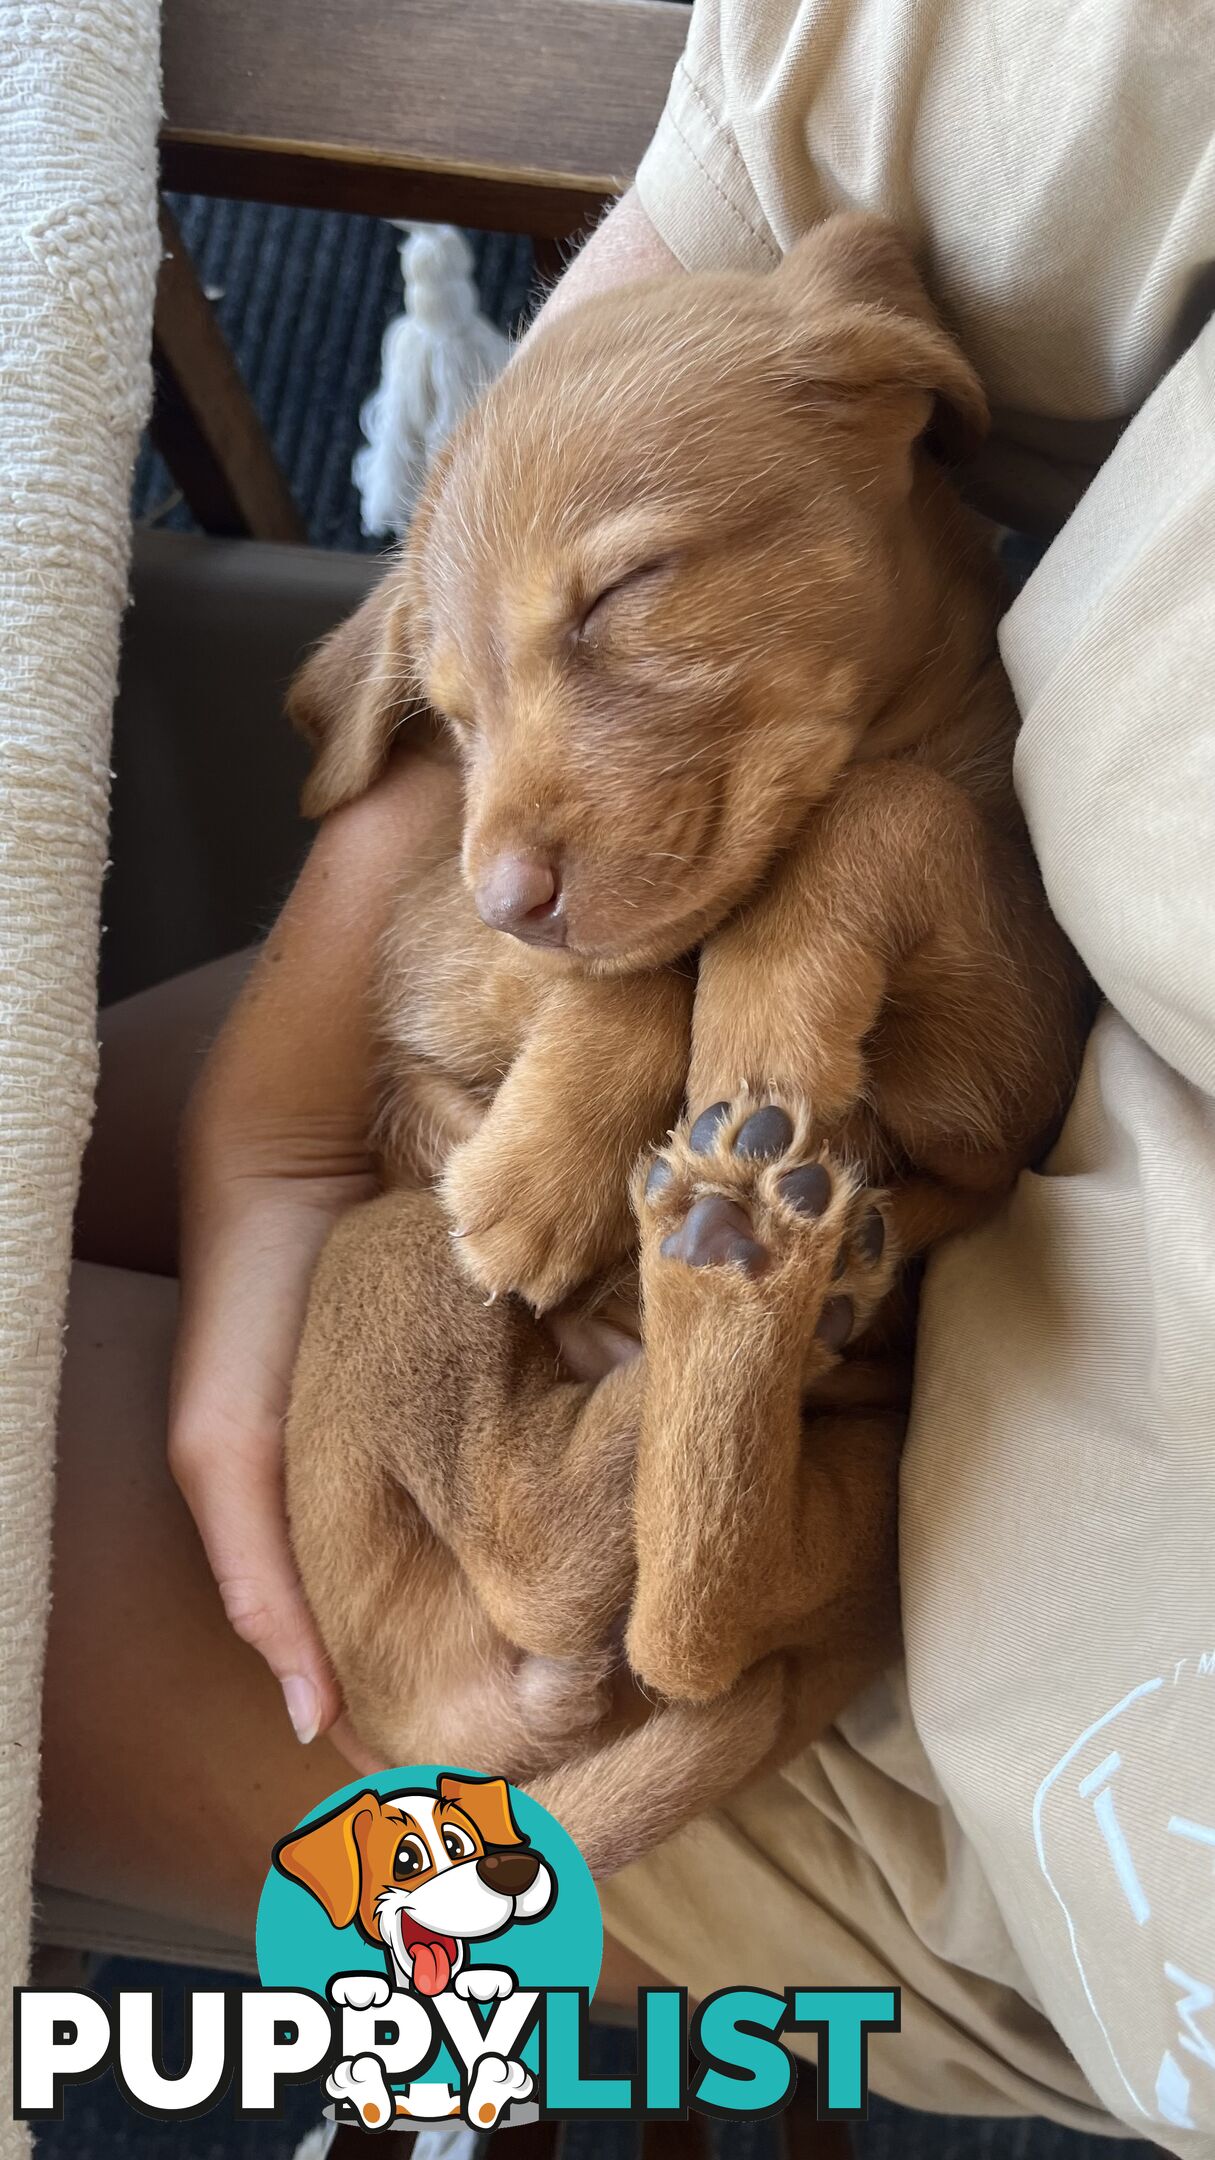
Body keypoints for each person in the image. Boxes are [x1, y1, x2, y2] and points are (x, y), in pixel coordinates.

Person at [44, 0, 1214, 2145]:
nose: (503, 835)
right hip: (506, 1243)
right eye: (478, 706)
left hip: (942, 1768)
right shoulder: (801, 487)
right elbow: (857, 116)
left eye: (618, 616)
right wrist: (284, 1114)